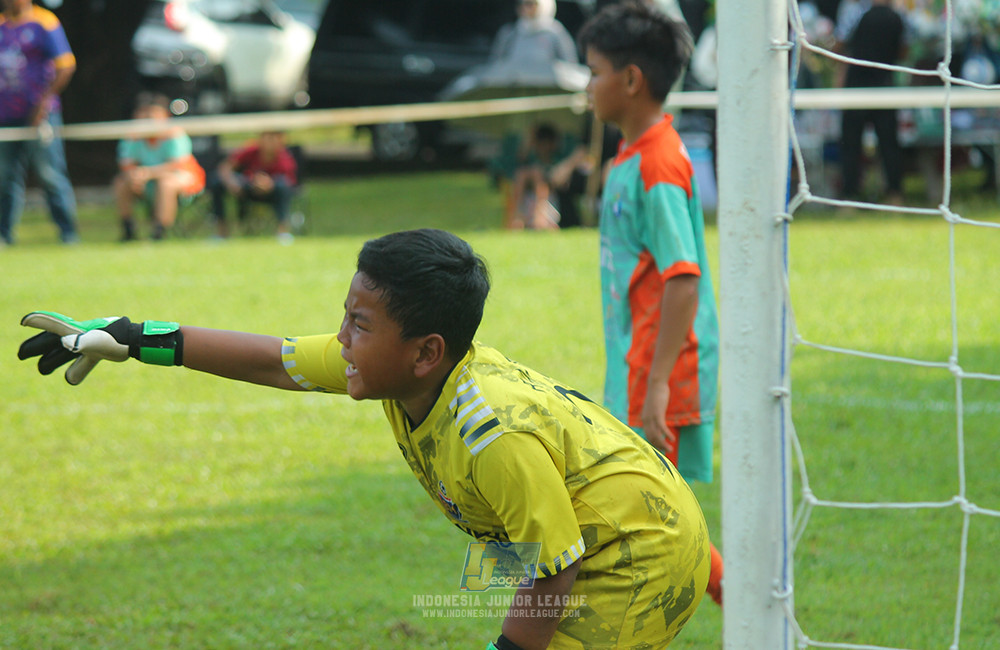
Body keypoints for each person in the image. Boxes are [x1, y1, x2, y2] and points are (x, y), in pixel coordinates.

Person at [18, 228, 713, 650]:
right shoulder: (395, 370)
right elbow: (273, 358)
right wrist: (138, 339)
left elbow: (552, 568)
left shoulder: (489, 431)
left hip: (634, 559)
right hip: (598, 527)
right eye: (345, 316)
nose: (342, 339)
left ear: (425, 350)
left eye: (359, 323)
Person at [577, 1, 723, 605]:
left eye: (594, 71)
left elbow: (682, 278)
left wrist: (659, 382)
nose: (587, 85)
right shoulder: (631, 154)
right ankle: (732, 599)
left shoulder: (659, 163)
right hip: (638, 362)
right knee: (650, 509)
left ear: (631, 80)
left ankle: (736, 600)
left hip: (661, 368)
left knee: (647, 512)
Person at [0, 0, 79, 246]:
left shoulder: (44, 22)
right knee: (5, 176)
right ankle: (4, 235)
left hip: (40, 115)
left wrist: (43, 104)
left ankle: (68, 234)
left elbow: (65, 66)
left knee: (49, 173)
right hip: (5, 115)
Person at [838, 0, 906, 204]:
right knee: (889, 143)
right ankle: (894, 195)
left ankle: (849, 198)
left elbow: (840, 43)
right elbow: (903, 50)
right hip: (884, 84)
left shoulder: (853, 11)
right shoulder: (899, 16)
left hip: (857, 86)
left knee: (851, 144)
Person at [113, 92, 205, 241]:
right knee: (121, 182)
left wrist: (149, 173)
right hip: (146, 181)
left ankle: (159, 231)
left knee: (166, 183)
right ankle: (128, 228)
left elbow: (177, 165)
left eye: (153, 115)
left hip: (182, 180)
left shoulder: (174, 134)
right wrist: (135, 177)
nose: (148, 120)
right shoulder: (133, 136)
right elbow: (126, 163)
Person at [210, 130, 297, 243]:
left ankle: (283, 232)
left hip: (273, 192)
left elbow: (290, 182)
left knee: (282, 187)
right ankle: (221, 233)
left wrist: (269, 184)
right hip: (247, 188)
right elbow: (225, 167)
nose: (269, 142)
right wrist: (232, 182)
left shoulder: (285, 159)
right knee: (217, 183)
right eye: (266, 137)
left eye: (273, 138)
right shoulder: (251, 151)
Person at [490, 0, 578, 68]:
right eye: (521, 2)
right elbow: (496, 64)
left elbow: (570, 66)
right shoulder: (510, 33)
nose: (524, 7)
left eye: (530, 3)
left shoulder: (555, 33)